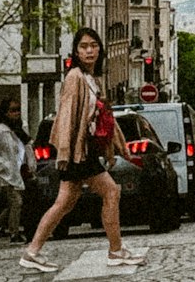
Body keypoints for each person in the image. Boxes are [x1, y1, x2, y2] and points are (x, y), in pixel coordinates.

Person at [20, 27, 142, 272]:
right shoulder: (75, 77)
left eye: (94, 45)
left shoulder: (90, 78)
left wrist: (115, 148)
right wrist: (65, 152)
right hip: (78, 152)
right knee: (111, 191)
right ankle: (115, 251)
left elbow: (103, 117)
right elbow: (65, 116)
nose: (90, 50)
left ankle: (32, 251)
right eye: (84, 46)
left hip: (82, 150)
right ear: (75, 51)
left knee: (64, 202)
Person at [0, 97, 36, 246]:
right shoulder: (1, 131)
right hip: (8, 174)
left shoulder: (18, 129)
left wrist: (31, 165)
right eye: (12, 110)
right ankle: (14, 234)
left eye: (17, 110)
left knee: (13, 204)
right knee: (17, 202)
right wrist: (3, 166)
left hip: (20, 173)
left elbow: (25, 148)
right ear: (5, 113)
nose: (16, 113)